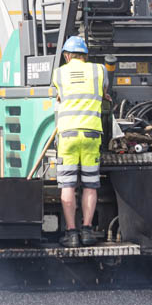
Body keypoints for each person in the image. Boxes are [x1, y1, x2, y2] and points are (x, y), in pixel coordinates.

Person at [50, 36, 109, 247]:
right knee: (90, 186)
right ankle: (87, 230)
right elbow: (104, 93)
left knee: (68, 186)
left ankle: (72, 233)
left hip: (68, 136)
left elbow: (59, 95)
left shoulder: (59, 73)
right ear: (85, 55)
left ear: (67, 56)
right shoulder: (99, 70)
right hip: (92, 134)